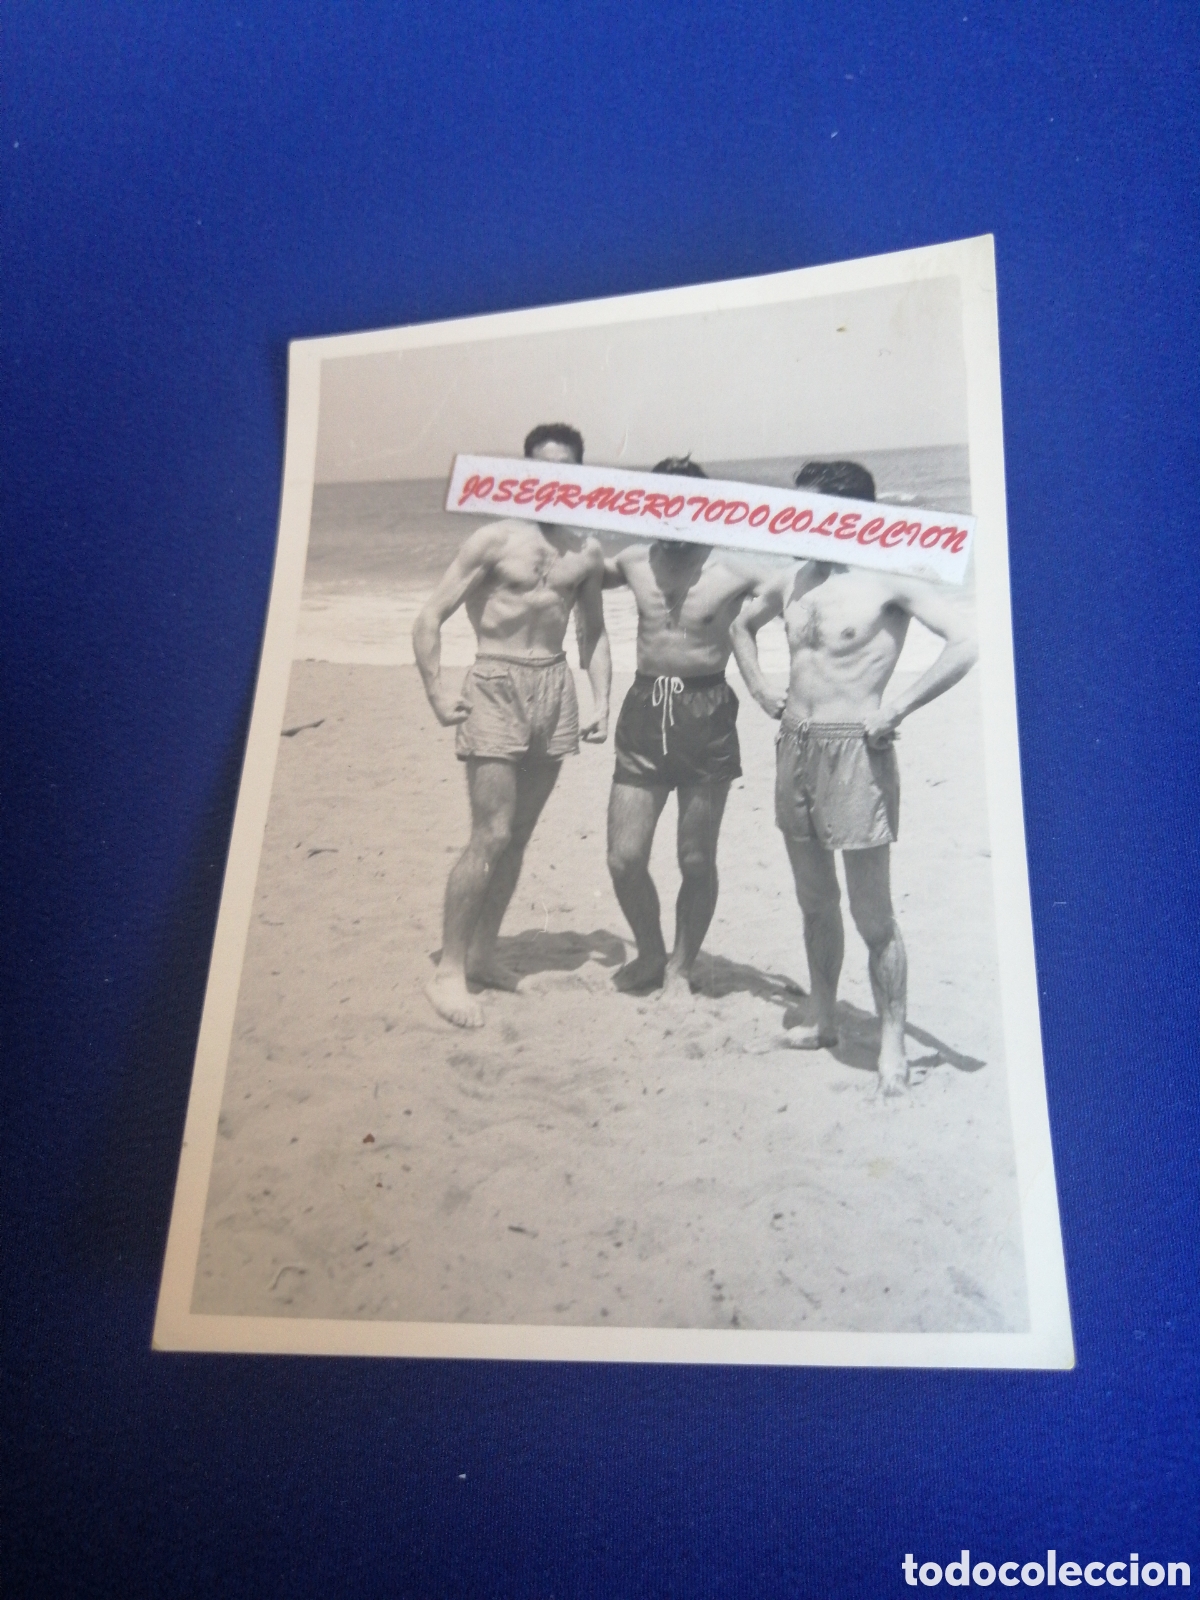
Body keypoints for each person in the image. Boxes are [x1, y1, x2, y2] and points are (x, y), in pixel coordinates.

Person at [730, 460, 978, 1093]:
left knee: (874, 916)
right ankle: (823, 1014)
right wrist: (761, 689)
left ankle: (893, 1043)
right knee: (814, 900)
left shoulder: (887, 579)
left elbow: (966, 641)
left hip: (856, 750)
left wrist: (894, 707)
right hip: (796, 745)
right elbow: (739, 625)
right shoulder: (793, 580)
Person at [413, 423, 610, 1027]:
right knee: (490, 835)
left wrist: (603, 697)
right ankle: (448, 973)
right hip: (496, 683)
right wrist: (438, 695)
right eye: (543, 467)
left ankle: (483, 954)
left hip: (555, 688)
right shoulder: (494, 540)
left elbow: (594, 631)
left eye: (566, 468)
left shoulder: (585, 549)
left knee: (519, 836)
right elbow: (429, 618)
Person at [604, 457, 769, 997]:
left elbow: (803, 592)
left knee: (695, 857)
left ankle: (681, 966)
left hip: (706, 710)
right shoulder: (631, 561)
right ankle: (651, 952)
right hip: (645, 707)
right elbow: (567, 575)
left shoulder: (737, 572)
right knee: (624, 857)